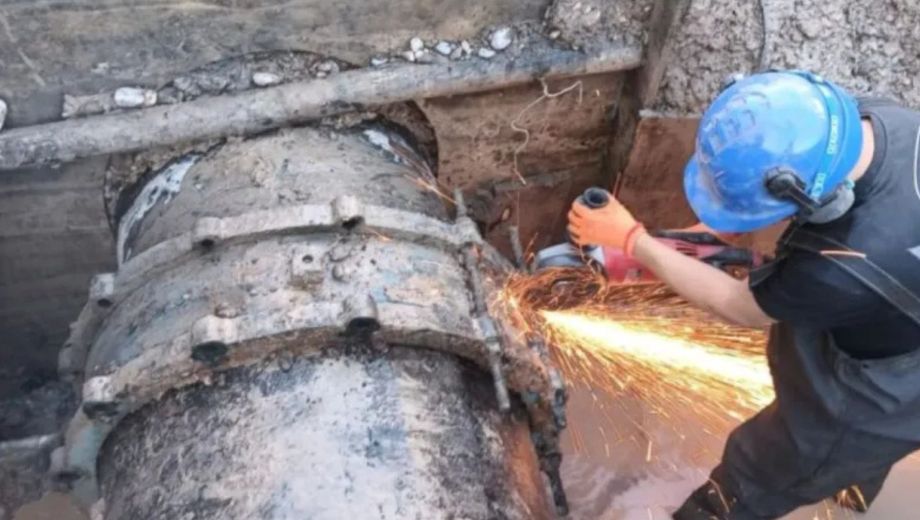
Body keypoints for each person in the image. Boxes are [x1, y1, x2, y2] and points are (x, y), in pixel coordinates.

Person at [567, 70, 920, 519]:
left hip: (891, 390)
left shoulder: (837, 269)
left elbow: (739, 306)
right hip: (897, 305)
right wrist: (673, 243)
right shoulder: (878, 122)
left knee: (761, 471)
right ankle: (850, 480)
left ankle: (818, 477)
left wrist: (636, 242)